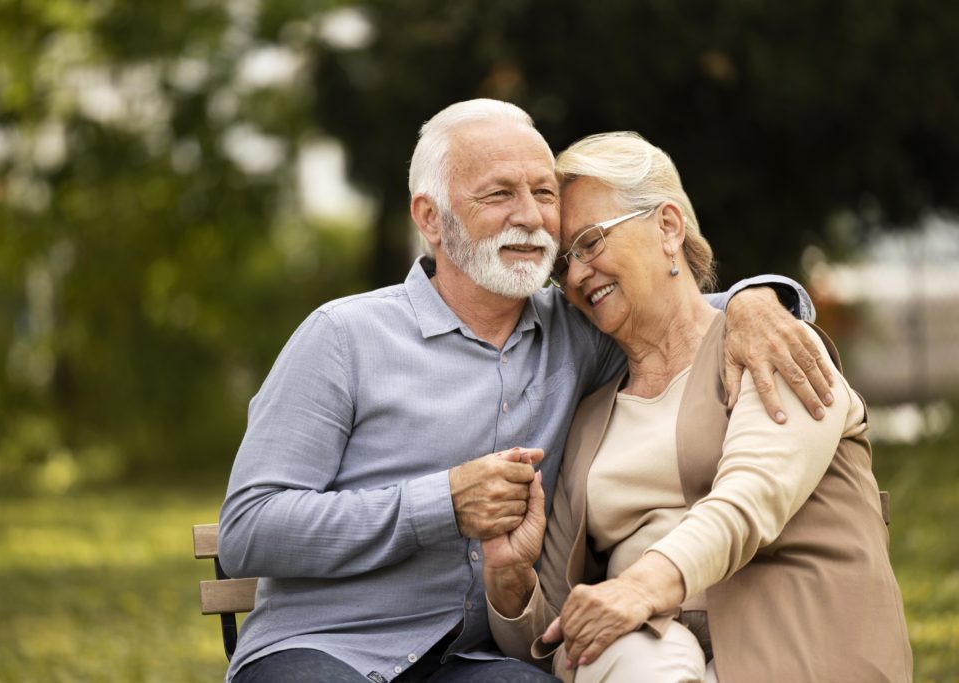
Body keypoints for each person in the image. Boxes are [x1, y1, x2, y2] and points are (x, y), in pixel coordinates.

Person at [218, 100, 835, 683]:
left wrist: (762, 299)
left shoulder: (580, 328)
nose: (531, 216)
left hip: (476, 662)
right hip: (327, 651)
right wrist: (443, 505)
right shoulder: (342, 337)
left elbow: (681, 311)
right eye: (499, 194)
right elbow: (248, 530)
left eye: (543, 193)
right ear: (431, 218)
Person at [483, 131, 912, 683]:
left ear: (668, 227)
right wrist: (510, 578)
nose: (577, 274)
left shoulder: (771, 346)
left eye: (590, 242)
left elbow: (749, 499)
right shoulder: (589, 419)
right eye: (562, 263)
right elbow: (556, 633)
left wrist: (637, 589)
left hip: (796, 651)